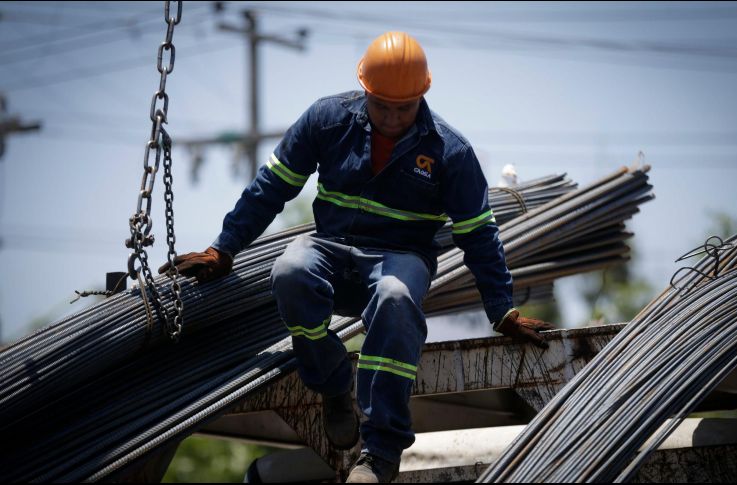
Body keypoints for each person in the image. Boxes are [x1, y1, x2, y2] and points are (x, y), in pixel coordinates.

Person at [161, 31, 553, 483]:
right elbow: (271, 188)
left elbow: (479, 236)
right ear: (365, 90)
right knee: (290, 270)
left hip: (401, 258)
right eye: (381, 106)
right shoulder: (327, 120)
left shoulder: (450, 152)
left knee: (395, 297)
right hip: (331, 248)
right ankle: (332, 381)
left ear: (422, 95)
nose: (392, 117)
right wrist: (223, 247)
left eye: (404, 108)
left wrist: (501, 309)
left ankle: (381, 452)